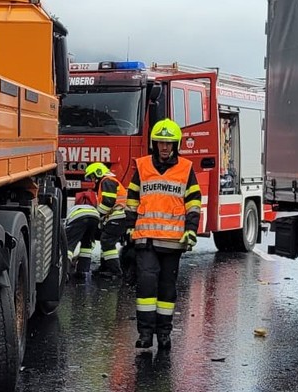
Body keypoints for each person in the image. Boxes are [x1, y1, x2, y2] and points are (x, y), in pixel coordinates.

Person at [124, 119, 202, 350]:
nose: (165, 147)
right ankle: (145, 334)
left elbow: (194, 203)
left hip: (172, 242)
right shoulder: (142, 166)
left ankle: (164, 335)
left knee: (167, 290)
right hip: (145, 239)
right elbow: (131, 200)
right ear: (154, 144)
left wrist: (191, 230)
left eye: (169, 143)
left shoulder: (186, 169)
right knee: (146, 288)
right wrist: (130, 227)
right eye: (160, 143)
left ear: (176, 145)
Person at [66, 160, 120, 281]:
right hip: (111, 217)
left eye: (93, 177)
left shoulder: (106, 181)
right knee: (93, 242)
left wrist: (99, 214)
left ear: (98, 173)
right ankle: (86, 271)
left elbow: (108, 202)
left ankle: (114, 271)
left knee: (106, 242)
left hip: (117, 216)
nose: (93, 180)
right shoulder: (107, 182)